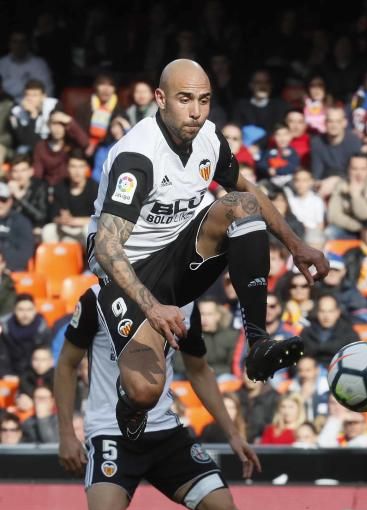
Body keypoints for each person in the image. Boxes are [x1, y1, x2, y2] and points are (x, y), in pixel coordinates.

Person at [11, 285, 270, 510]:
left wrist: (232, 433)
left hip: (165, 432)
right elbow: (67, 363)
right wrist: (67, 433)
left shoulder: (184, 300)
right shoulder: (97, 297)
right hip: (110, 430)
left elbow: (197, 367)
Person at [84, 59, 328, 442]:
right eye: (185, 100)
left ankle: (258, 340)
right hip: (127, 266)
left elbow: (246, 188)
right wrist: (151, 306)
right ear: (160, 99)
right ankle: (128, 401)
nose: (196, 112)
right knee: (146, 392)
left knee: (241, 205)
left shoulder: (210, 138)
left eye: (204, 100)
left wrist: (296, 245)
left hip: (179, 253)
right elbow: (106, 244)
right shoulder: (138, 156)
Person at [326, 154, 367, 239]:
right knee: (329, 232)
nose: (359, 173)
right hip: (349, 228)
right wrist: (359, 228)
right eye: (354, 169)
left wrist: (356, 196)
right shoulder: (341, 185)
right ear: (348, 170)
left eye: (363, 169)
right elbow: (333, 215)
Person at [42, 150, 98, 245]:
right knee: (48, 230)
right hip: (65, 228)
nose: (77, 171)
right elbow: (53, 216)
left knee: (89, 230)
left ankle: (89, 260)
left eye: (81, 166)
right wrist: (61, 219)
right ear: (67, 168)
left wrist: (74, 221)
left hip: (83, 229)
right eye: (73, 166)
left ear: (86, 168)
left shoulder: (94, 188)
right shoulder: (60, 187)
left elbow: (99, 218)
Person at [299, 294, 360, 366]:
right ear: (317, 312)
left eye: (330, 311)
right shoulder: (306, 333)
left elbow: (356, 360)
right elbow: (297, 360)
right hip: (311, 374)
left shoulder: (349, 333)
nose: (326, 316)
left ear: (337, 312)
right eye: (322, 311)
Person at [0, 181, 35, 271]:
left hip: (10, 271)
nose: (0, 204)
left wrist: (4, 263)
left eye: (3, 200)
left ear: (10, 201)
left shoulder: (22, 222)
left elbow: (25, 254)